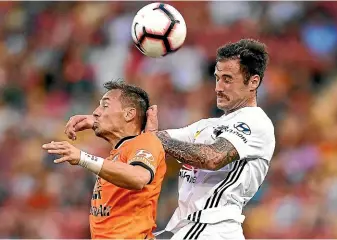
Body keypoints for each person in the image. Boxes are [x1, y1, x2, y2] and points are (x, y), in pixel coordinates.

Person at [65, 38, 275, 240]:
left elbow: (212, 158)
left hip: (212, 229)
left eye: (228, 79)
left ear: (253, 82)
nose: (218, 87)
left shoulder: (255, 122)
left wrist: (152, 139)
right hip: (187, 228)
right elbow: (148, 137)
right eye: (217, 78)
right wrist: (99, 121)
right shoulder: (207, 125)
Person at [43, 81, 166, 239]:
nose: (95, 112)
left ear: (129, 114)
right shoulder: (117, 154)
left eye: (105, 106)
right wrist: (96, 122)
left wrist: (82, 157)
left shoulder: (145, 142)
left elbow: (139, 177)